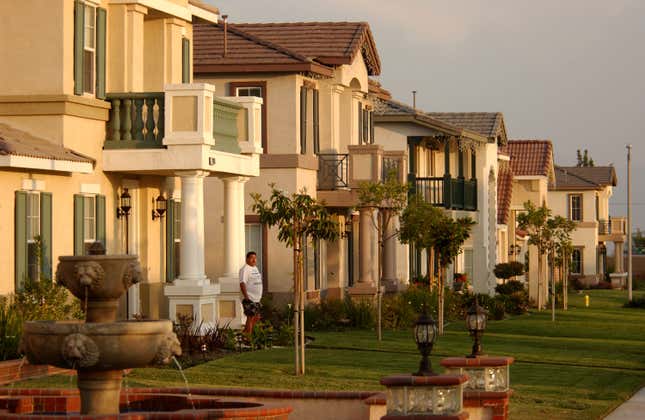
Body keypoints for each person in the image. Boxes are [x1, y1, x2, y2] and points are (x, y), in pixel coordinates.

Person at [239, 251, 263, 334]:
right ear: (247, 259)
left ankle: (246, 333)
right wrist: (246, 297)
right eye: (252, 258)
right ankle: (248, 337)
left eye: (255, 258)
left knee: (257, 317)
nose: (254, 260)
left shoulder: (255, 268)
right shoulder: (245, 269)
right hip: (249, 298)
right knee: (250, 317)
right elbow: (242, 283)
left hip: (257, 299)